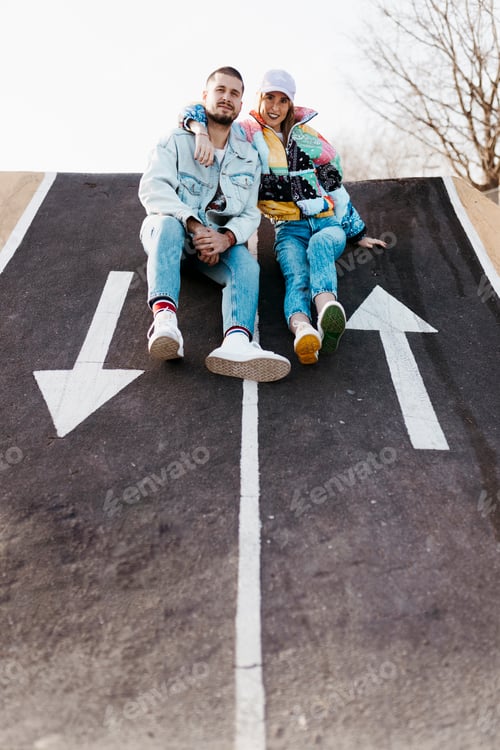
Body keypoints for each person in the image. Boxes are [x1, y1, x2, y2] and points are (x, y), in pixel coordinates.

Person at [180, 69, 387, 365]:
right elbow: (199, 111)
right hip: (288, 228)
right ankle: (303, 329)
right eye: (269, 98)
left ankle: (328, 308)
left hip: (326, 221)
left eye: (283, 100)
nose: (275, 107)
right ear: (258, 98)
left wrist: (357, 232)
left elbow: (334, 184)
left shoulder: (307, 136)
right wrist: (199, 130)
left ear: (291, 104)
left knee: (320, 247)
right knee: (295, 273)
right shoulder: (246, 134)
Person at [138, 66, 291, 382]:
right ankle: (165, 323)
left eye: (235, 94)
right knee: (166, 225)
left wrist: (224, 238)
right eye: (220, 90)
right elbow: (153, 190)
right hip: (174, 236)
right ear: (205, 96)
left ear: (240, 104)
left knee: (248, 265)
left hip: (216, 243)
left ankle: (236, 342)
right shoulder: (177, 140)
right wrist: (195, 227)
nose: (227, 98)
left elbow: (250, 213)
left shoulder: (248, 155)